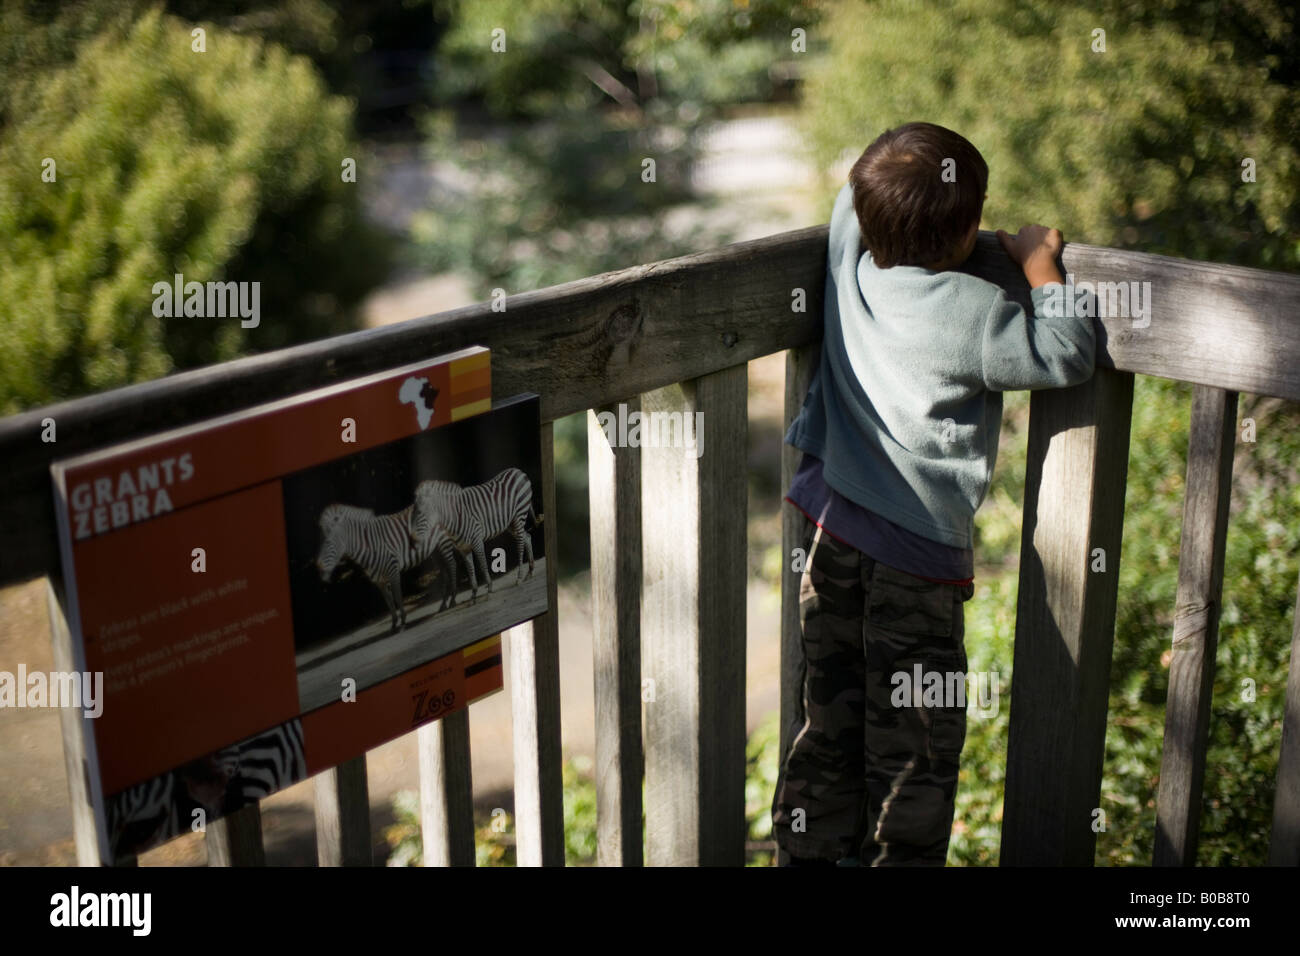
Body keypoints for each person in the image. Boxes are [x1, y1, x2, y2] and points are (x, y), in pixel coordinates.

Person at [771, 122, 1096, 866]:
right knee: (915, 742)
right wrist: (1040, 265)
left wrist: (910, 192)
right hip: (915, 559)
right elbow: (1068, 352)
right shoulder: (974, 314)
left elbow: (863, 198)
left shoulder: (849, 249)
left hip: (830, 534)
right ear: (966, 232)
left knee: (828, 720)